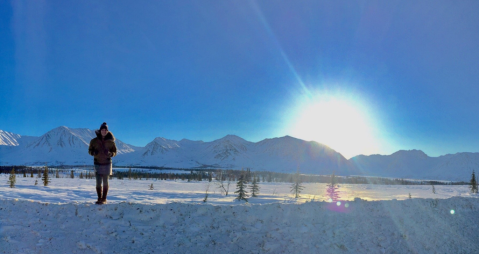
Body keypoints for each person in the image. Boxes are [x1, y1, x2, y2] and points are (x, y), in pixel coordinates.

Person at [88, 122, 117, 204]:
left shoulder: (111, 141)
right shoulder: (94, 141)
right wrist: (93, 152)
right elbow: (89, 151)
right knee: (98, 182)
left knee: (105, 182)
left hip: (107, 163)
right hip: (97, 163)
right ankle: (99, 198)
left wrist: (111, 154)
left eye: (105, 130)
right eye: (102, 130)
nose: (104, 131)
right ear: (100, 131)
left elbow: (115, 152)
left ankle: (104, 199)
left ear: (107, 131)